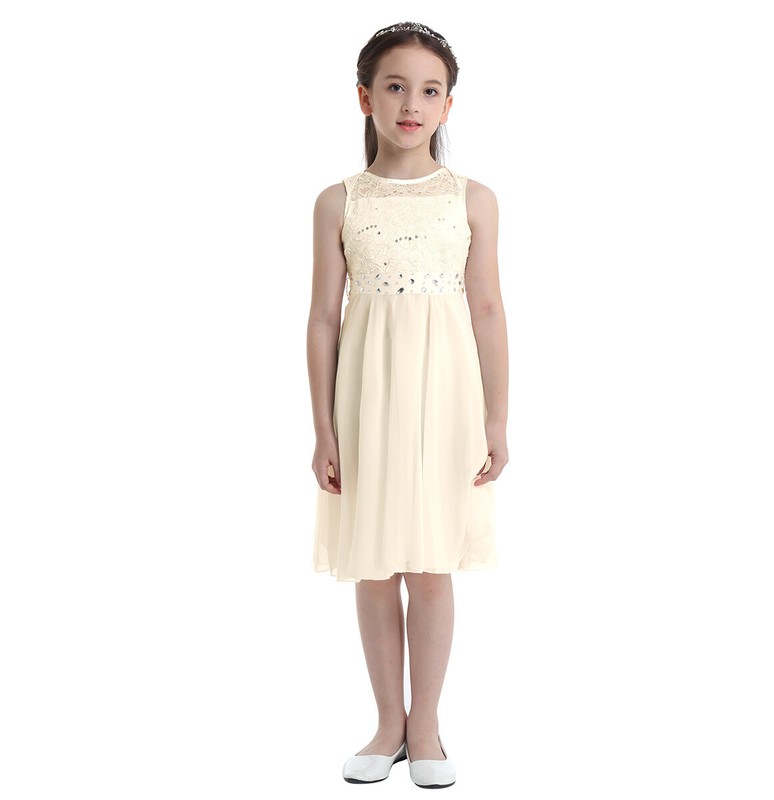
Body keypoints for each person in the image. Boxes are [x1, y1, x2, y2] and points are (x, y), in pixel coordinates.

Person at [306, 21, 509, 789]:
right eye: (395, 87)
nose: (411, 104)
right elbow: (323, 319)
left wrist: (496, 417)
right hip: (367, 400)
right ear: (365, 97)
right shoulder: (339, 201)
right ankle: (387, 723)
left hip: (446, 398)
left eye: (429, 90)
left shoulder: (471, 199)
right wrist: (323, 428)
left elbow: (487, 310)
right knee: (374, 564)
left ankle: (426, 727)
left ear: (448, 105)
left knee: (429, 564)